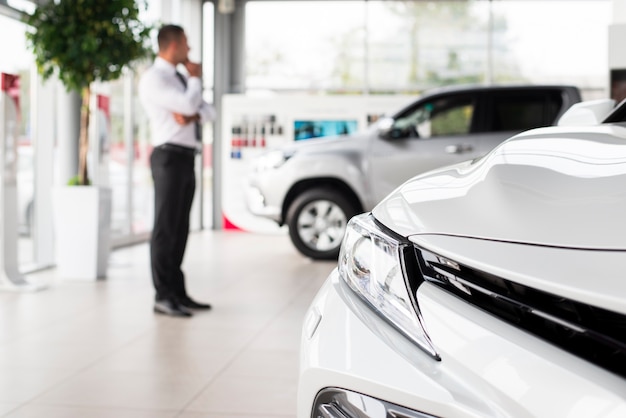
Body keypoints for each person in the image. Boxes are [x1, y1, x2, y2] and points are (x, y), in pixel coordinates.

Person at [138, 24, 215, 317]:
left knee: (180, 227)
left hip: (186, 158)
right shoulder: (154, 79)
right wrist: (195, 82)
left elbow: (210, 113)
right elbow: (185, 104)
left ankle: (178, 292)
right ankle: (162, 295)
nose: (189, 49)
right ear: (173, 46)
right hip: (168, 157)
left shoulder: (181, 78)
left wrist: (191, 109)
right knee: (165, 228)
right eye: (186, 43)